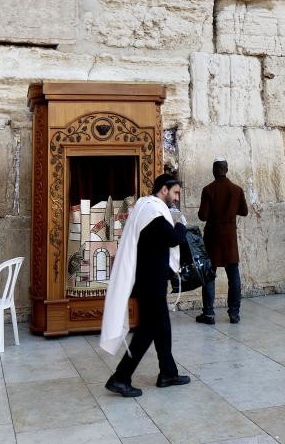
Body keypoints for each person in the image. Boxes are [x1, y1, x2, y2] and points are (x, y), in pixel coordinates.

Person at [101, 174, 190, 398]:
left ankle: (168, 373)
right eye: (176, 192)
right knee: (147, 330)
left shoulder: (147, 208)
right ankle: (120, 378)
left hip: (151, 280)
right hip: (151, 282)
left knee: (162, 328)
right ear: (164, 190)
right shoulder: (154, 212)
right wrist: (181, 226)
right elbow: (171, 238)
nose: (177, 198)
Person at [195, 158, 249, 325]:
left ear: (214, 170)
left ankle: (209, 314)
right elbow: (244, 211)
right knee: (234, 277)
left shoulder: (208, 190)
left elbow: (202, 216)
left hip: (212, 239)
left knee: (209, 276)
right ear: (227, 169)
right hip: (230, 239)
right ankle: (234, 313)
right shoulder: (237, 190)